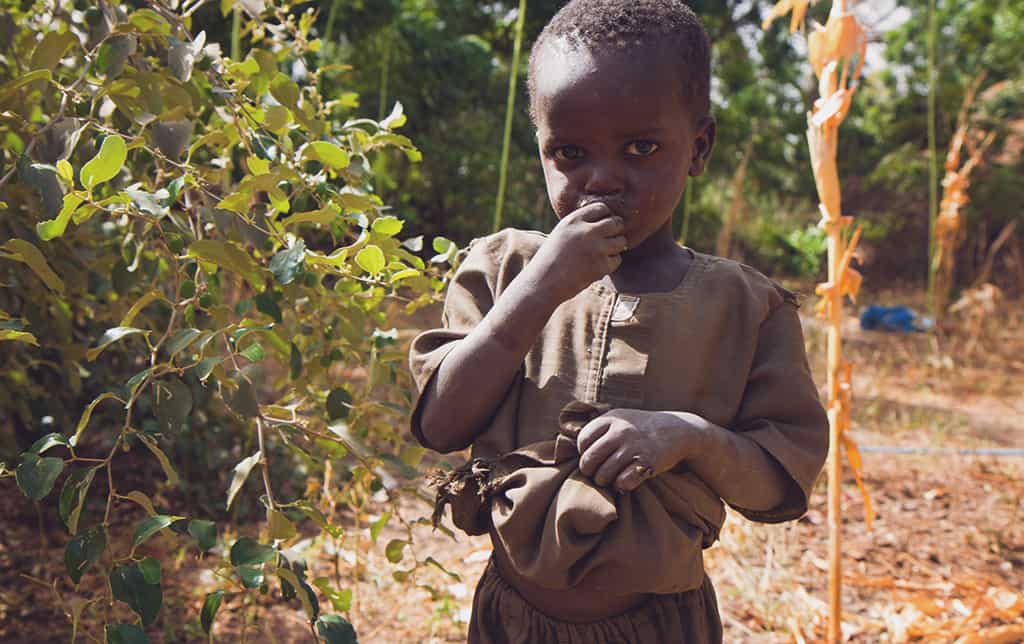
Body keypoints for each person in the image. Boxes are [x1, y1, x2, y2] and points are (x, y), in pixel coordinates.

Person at [408, 1, 829, 641]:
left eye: (642, 147)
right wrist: (538, 288)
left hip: (662, 626)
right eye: (570, 153)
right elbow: (440, 424)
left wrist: (689, 437)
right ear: (541, 149)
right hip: (511, 621)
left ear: (699, 147)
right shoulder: (500, 269)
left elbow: (778, 485)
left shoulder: (747, 307)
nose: (602, 179)